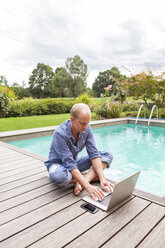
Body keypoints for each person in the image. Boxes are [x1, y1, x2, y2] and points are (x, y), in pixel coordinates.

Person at [44, 103, 114, 201]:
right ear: (72, 119)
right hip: (58, 166)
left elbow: (93, 154)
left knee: (107, 155)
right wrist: (88, 187)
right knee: (59, 176)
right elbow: (68, 163)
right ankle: (88, 177)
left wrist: (102, 179)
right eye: (82, 123)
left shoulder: (86, 129)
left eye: (87, 123)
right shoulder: (60, 133)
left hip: (74, 164)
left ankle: (81, 180)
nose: (85, 127)